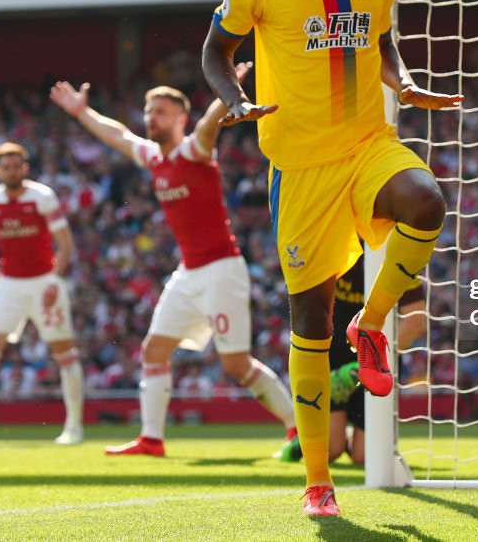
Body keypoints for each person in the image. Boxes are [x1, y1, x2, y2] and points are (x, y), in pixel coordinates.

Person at [202, 0, 462, 516]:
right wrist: (233, 97)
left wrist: (402, 84)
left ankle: (372, 327)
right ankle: (319, 480)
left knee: (426, 202)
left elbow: (381, 43)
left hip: (367, 144)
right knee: (310, 324)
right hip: (302, 169)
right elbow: (214, 49)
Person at [49, 67, 297, 458]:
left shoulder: (193, 150)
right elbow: (119, 135)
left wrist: (226, 89)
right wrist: (82, 112)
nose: (152, 117)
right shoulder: (153, 157)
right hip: (189, 272)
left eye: (162, 111)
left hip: (222, 271)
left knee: (235, 364)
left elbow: (210, 126)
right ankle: (152, 439)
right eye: (149, 110)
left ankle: (295, 428)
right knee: (153, 351)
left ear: (181, 119)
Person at [0, 143, 84, 445]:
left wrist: (54, 281)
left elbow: (66, 244)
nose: (11, 171)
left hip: (44, 280)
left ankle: (74, 426)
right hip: (8, 283)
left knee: (64, 352)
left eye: (16, 166)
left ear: (25, 168)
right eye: (5, 167)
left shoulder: (42, 196)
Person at [279, 253, 427, 465]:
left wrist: (370, 363)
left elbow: (415, 322)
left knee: (365, 457)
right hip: (334, 354)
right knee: (329, 451)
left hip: (377, 358)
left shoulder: (399, 253)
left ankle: (353, 439)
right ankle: (300, 442)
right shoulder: (337, 248)